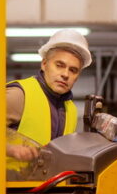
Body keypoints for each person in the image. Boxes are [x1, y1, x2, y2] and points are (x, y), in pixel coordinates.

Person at [6, 29, 91, 161]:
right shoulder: (19, 95)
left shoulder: (71, 110)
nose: (65, 74)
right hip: (8, 181)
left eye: (73, 70)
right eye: (59, 65)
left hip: (50, 181)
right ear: (44, 64)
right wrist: (10, 149)